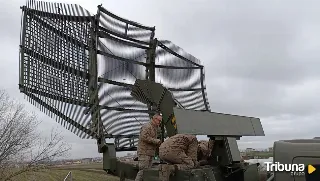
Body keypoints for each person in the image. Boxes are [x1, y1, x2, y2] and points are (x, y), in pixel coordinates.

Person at [134, 114, 162, 181]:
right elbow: (144, 137)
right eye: (159, 120)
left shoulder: (154, 128)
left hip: (150, 153)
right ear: (154, 119)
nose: (160, 122)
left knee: (147, 173)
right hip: (144, 153)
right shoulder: (147, 126)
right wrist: (156, 141)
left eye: (160, 121)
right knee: (142, 171)